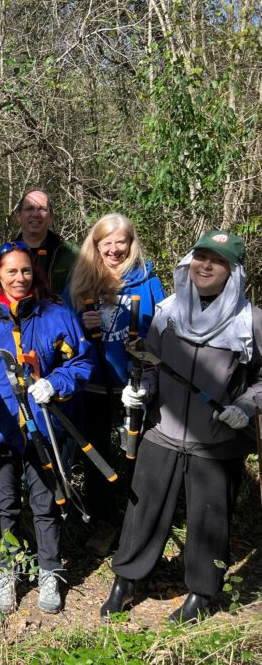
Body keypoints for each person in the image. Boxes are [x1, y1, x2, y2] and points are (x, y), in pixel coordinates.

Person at [102, 231, 261, 625]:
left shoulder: (251, 322)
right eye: (200, 257)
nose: (205, 266)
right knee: (143, 512)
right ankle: (126, 581)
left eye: (217, 261)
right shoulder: (169, 311)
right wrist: (139, 392)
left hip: (217, 441)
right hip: (161, 432)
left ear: (233, 271)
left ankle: (202, 594)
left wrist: (245, 405)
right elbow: (152, 367)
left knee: (210, 519)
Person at [0, 241, 91, 615]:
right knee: (5, 504)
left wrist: (57, 382)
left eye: (26, 270)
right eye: (11, 271)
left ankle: (50, 569)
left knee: (44, 501)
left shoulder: (56, 314)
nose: (19, 278)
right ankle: (9, 569)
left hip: (44, 427)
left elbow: (81, 362)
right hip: (0, 429)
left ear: (35, 273)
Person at [64, 214, 165, 555]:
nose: (113, 248)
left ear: (131, 243)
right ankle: (103, 520)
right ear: (95, 245)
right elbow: (61, 328)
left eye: (120, 241)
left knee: (137, 455)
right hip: (93, 383)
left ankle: (137, 522)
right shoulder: (82, 278)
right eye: (105, 242)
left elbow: (164, 327)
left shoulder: (147, 278)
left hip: (135, 386)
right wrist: (81, 322)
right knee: (96, 457)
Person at [14, 189, 79, 294]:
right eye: (29, 208)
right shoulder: (6, 255)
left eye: (42, 209)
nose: (35, 214)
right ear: (18, 216)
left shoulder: (72, 254)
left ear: (51, 216)